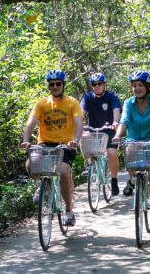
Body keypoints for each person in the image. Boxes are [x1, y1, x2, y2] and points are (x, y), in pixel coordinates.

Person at [21, 69, 84, 225]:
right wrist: (25, 140)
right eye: (51, 85)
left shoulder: (72, 102)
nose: (54, 87)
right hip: (45, 143)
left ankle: (69, 211)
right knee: (31, 164)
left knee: (63, 171)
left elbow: (79, 123)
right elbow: (31, 122)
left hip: (66, 144)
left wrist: (76, 140)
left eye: (57, 84)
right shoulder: (42, 103)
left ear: (63, 85)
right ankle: (42, 185)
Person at [116, 69, 150, 230]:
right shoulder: (128, 103)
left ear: (146, 86)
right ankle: (132, 180)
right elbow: (124, 120)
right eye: (134, 86)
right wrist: (118, 135)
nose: (137, 88)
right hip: (136, 144)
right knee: (129, 152)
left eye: (140, 85)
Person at [80, 72, 122, 195]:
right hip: (92, 129)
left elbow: (116, 109)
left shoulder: (111, 96)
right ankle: (89, 165)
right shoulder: (87, 97)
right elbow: (81, 111)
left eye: (99, 84)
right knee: (83, 136)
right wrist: (79, 123)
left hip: (109, 130)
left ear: (104, 84)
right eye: (94, 84)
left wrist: (115, 121)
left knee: (112, 153)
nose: (97, 86)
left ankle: (114, 180)